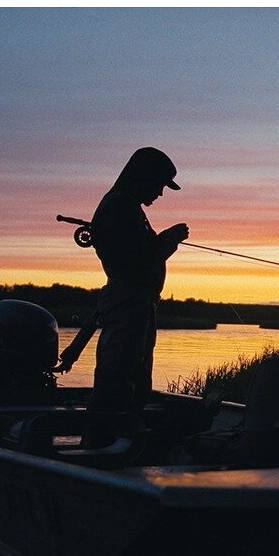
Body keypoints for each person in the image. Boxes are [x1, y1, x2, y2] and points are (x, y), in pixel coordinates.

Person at [85, 146, 189, 446]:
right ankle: (99, 449)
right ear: (143, 177)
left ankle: (122, 446)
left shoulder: (128, 207)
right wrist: (168, 240)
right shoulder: (119, 206)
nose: (159, 193)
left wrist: (164, 242)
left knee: (135, 384)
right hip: (128, 307)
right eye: (158, 184)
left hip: (138, 307)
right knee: (116, 382)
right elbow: (133, 261)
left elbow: (139, 254)